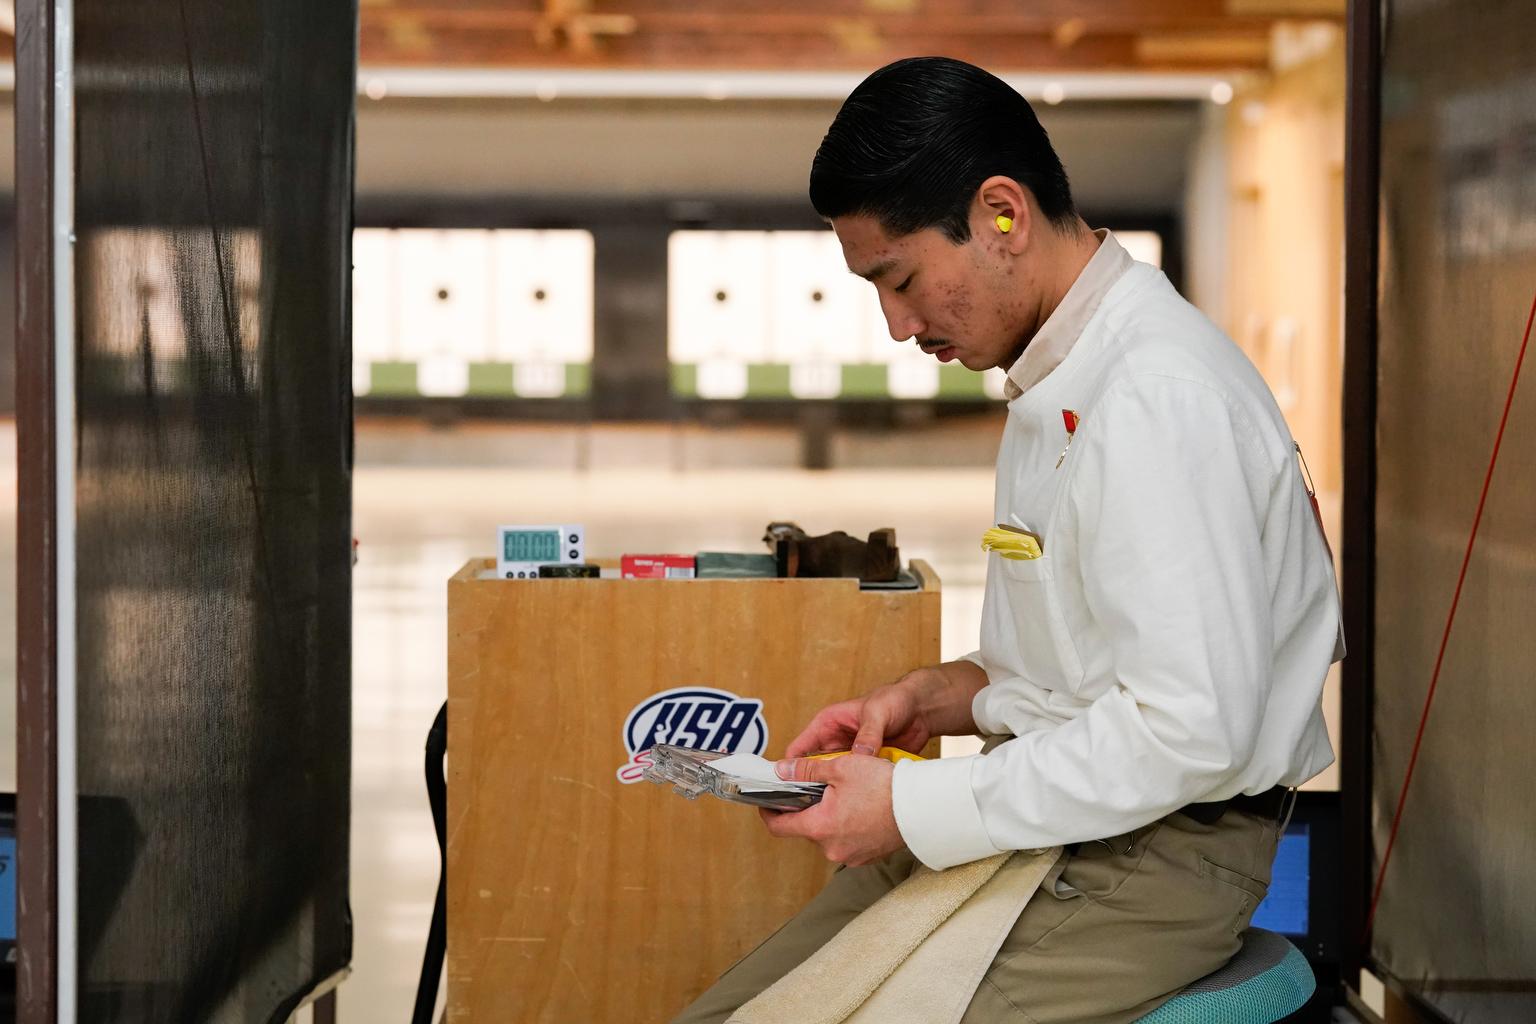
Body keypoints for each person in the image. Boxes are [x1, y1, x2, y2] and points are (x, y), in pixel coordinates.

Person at [673, 56, 1340, 1024]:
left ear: (1001, 214)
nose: (897, 325)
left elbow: (1186, 728)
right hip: (1066, 818)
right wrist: (943, 694)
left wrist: (907, 809)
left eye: (900, 279)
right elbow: (1097, 659)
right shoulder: (1060, 375)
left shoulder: (1155, 395)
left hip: (1146, 859)